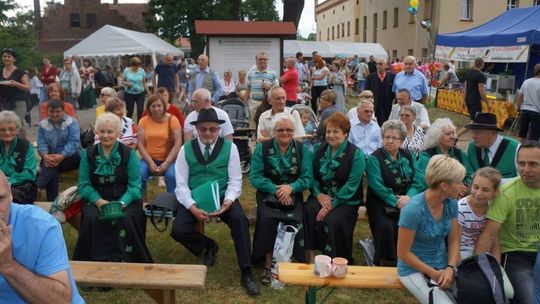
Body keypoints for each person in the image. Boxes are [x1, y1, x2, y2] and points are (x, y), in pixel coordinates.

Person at [172, 107, 261, 295]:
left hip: (222, 196)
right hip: (195, 196)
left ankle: (246, 272)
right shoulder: (185, 149)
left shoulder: (231, 148)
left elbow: (235, 180)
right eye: (203, 129)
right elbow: (181, 184)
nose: (207, 133)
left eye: (212, 129)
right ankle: (209, 245)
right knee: (178, 229)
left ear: (219, 129)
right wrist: (192, 207)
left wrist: (228, 202)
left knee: (240, 221)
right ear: (196, 129)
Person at [73, 113, 152, 263]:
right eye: (102, 131)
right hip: (97, 198)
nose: (105, 135)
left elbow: (135, 186)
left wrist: (121, 204)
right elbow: (84, 184)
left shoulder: (129, 154)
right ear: (97, 132)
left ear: (117, 133)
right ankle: (97, 261)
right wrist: (99, 201)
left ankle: (125, 258)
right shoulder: (87, 154)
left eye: (110, 132)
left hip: (125, 199)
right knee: (92, 218)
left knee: (126, 218)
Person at [0, 170, 84, 303]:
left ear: (10, 193)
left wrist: (7, 265)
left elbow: (60, 301)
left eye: (0, 199)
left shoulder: (40, 226)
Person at [249, 113, 313, 284]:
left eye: (289, 130)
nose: (285, 133)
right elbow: (254, 177)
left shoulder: (302, 150)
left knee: (296, 218)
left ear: (294, 131)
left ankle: (288, 261)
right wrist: (277, 190)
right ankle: (269, 264)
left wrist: (290, 188)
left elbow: (307, 178)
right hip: (268, 192)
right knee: (268, 218)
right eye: (281, 130)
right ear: (273, 132)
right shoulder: (262, 148)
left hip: (293, 192)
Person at [475, 141, 540, 304]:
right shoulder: (506, 193)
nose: (525, 169)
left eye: (533, 164)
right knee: (531, 300)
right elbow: (488, 234)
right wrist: (480, 272)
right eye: (521, 163)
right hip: (516, 255)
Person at [397, 155, 465, 304]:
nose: (462, 186)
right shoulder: (413, 209)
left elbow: (454, 239)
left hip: (442, 265)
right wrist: (434, 273)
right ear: (444, 186)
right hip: (413, 269)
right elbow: (403, 253)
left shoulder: (451, 203)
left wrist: (451, 267)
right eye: (459, 182)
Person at [305, 112, 366, 263]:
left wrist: (332, 204)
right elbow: (310, 176)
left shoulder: (356, 154)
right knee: (308, 210)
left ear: (345, 133)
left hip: (345, 200)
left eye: (336, 131)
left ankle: (335, 260)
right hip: (322, 195)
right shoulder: (318, 149)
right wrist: (318, 194)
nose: (331, 135)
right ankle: (312, 257)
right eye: (328, 131)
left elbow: (352, 184)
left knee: (332, 220)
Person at [366, 120, 424, 266]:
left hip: (407, 199)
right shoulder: (374, 158)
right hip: (381, 201)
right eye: (387, 137)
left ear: (402, 140)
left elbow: (419, 178)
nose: (390, 141)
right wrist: (397, 202)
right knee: (387, 224)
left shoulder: (408, 154)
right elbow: (377, 186)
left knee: (415, 219)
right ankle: (386, 259)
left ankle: (410, 256)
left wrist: (409, 197)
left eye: (395, 138)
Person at [36, 100, 82, 201]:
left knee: (50, 165)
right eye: (51, 111)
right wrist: (45, 155)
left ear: (63, 111)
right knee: (52, 167)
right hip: (51, 157)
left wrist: (62, 156)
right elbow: (41, 143)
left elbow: (74, 143)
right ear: (47, 111)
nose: (54, 114)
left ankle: (37, 187)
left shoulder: (72, 122)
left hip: (72, 156)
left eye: (57, 111)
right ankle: (53, 201)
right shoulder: (42, 125)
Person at [138, 94, 182, 194]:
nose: (156, 109)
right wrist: (149, 162)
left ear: (164, 106)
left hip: (170, 159)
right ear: (148, 107)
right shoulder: (143, 121)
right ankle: (140, 204)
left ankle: (171, 204)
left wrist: (166, 162)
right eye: (153, 106)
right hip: (149, 158)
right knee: (140, 175)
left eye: (159, 105)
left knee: (172, 176)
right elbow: (140, 144)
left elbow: (178, 143)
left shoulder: (173, 120)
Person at [418, 118, 473, 195]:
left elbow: (469, 175)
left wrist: (463, 186)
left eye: (453, 133)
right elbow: (423, 181)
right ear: (437, 137)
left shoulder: (460, 153)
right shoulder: (426, 156)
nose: (453, 137)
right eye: (448, 134)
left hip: (461, 194)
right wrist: (453, 188)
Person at [457, 167, 501, 260]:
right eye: (476, 187)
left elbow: (495, 242)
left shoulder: (493, 208)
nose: (479, 193)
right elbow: (454, 243)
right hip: (463, 251)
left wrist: (498, 268)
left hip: (485, 250)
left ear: (495, 192)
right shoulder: (461, 209)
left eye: (485, 190)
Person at [465, 113, 519, 182]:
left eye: (478, 133)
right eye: (473, 132)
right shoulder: (471, 147)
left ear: (493, 133)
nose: (473, 137)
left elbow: (522, 180)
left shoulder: (515, 149)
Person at [0, 111, 37, 204]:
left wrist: (9, 182)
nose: (7, 133)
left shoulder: (26, 146)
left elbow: (29, 173)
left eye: (11, 129)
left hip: (21, 187)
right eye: (2, 130)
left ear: (17, 130)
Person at [246, 52, 279, 120]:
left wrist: (269, 88)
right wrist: (244, 102)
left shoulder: (273, 74)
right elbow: (248, 89)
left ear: (267, 60)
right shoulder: (251, 73)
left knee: (267, 123)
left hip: (267, 104)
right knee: (253, 124)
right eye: (260, 59)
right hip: (254, 103)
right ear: (256, 61)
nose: (262, 61)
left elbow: (276, 90)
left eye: (264, 59)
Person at [0, 48, 30, 123]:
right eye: (4, 56)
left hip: (18, 103)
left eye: (9, 56)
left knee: (16, 125)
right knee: (4, 125)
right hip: (3, 103)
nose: (6, 58)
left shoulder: (20, 72)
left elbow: (27, 87)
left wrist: (16, 84)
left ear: (14, 59)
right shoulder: (0, 72)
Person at [366, 58, 396, 126]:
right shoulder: (370, 77)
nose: (378, 66)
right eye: (377, 64)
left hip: (388, 105)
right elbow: (366, 92)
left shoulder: (392, 76)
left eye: (380, 64)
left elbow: (395, 91)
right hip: (375, 105)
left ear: (386, 65)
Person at [516, 63, 540, 142]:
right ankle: (531, 153)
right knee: (534, 137)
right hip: (537, 112)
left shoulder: (526, 81)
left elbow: (519, 96)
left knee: (521, 135)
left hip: (525, 110)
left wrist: (518, 109)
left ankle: (520, 151)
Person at [462, 57, 488, 127]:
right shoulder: (480, 75)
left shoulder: (468, 74)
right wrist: (487, 103)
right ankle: (458, 134)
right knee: (475, 121)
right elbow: (481, 91)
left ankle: (475, 136)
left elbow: (465, 89)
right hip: (475, 100)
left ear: (475, 64)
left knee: (475, 120)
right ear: (483, 65)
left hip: (468, 99)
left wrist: (464, 100)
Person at [122, 56, 148, 122]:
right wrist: (127, 84)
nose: (137, 67)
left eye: (138, 66)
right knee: (130, 111)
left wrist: (148, 91)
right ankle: (129, 125)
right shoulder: (126, 71)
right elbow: (122, 81)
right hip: (129, 93)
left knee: (140, 110)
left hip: (140, 93)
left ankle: (139, 124)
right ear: (132, 65)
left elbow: (144, 82)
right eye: (136, 66)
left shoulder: (142, 71)